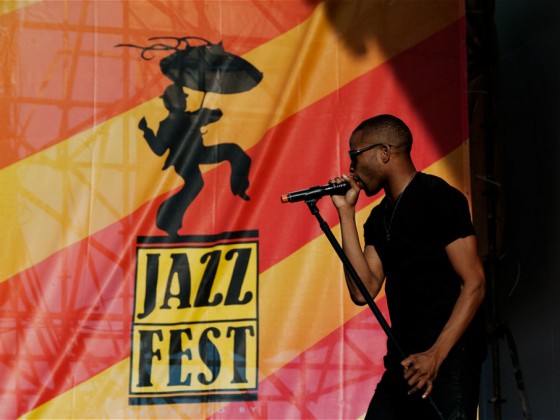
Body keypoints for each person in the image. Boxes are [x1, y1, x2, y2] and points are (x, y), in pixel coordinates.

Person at [329, 114, 486, 419]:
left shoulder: (438, 198)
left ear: (384, 153)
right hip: (404, 362)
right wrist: (346, 214)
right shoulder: (379, 217)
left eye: (355, 155)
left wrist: (436, 355)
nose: (351, 167)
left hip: (449, 357)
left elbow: (475, 283)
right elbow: (364, 290)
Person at [138, 83, 251, 236]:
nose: (184, 101)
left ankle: (239, 187)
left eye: (183, 98)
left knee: (233, 151)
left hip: (201, 153)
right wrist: (147, 132)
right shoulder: (168, 124)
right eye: (180, 99)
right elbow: (159, 150)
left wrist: (205, 107)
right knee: (195, 185)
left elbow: (217, 115)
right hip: (184, 161)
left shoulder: (191, 116)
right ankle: (167, 222)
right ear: (169, 103)